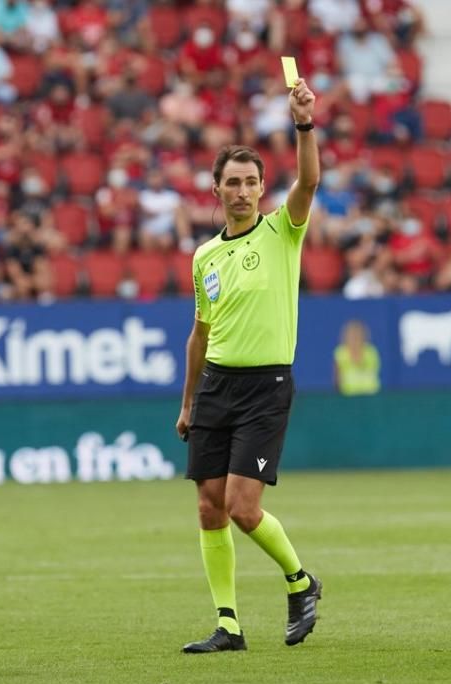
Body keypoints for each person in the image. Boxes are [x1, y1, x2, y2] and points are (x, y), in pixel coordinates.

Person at [176, 78, 321, 653]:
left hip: (266, 386)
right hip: (216, 385)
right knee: (209, 506)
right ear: (215, 189)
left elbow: (309, 179)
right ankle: (229, 625)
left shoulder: (284, 230)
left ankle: (301, 581)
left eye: (251, 182)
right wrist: (188, 401)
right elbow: (200, 333)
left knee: (242, 505)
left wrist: (304, 123)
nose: (242, 191)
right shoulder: (204, 256)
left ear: (263, 188)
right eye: (231, 182)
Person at [333, 320, 381, 396]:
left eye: (358, 335)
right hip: (348, 394)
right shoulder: (340, 352)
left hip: (369, 394)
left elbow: (367, 366)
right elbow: (337, 377)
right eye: (352, 335)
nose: (355, 338)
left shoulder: (371, 352)